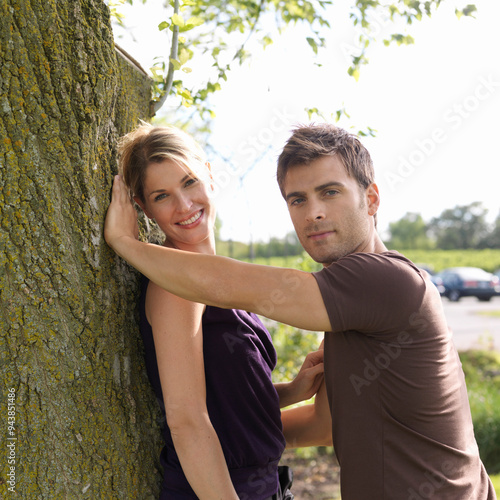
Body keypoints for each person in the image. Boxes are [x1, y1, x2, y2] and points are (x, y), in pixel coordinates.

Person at [105, 123, 496, 499]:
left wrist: (125, 242)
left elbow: (248, 288)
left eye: (330, 192)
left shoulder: (384, 281)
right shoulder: (344, 306)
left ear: (371, 199)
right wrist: (281, 400)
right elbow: (320, 424)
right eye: (298, 200)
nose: (314, 214)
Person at [114, 123, 332, 500]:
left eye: (189, 182)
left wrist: (289, 392)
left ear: (210, 176)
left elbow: (222, 394)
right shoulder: (175, 288)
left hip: (261, 485)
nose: (184, 206)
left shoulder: (219, 279)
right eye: (162, 195)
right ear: (143, 208)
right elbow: (187, 422)